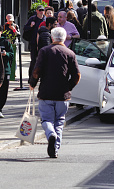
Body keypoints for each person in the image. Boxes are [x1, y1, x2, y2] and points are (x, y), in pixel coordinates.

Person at [29, 27, 81, 158]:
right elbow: (77, 76)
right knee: (59, 121)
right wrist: (68, 87)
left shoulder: (45, 51)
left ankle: (50, 134)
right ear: (64, 38)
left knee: (46, 119)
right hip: (62, 95)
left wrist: (32, 84)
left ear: (52, 37)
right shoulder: (70, 53)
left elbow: (37, 71)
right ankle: (55, 148)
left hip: (46, 92)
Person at [0, 24, 14, 118]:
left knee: (3, 91)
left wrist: (6, 54)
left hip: (5, 69)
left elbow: (12, 54)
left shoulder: (6, 42)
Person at [23, 5, 46, 77]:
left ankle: (40, 76)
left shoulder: (45, 20)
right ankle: (31, 77)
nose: (41, 12)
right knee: (33, 61)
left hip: (42, 43)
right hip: (33, 43)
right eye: (40, 10)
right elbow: (25, 28)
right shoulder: (32, 19)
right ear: (36, 11)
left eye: (42, 10)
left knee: (42, 61)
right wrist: (31, 26)